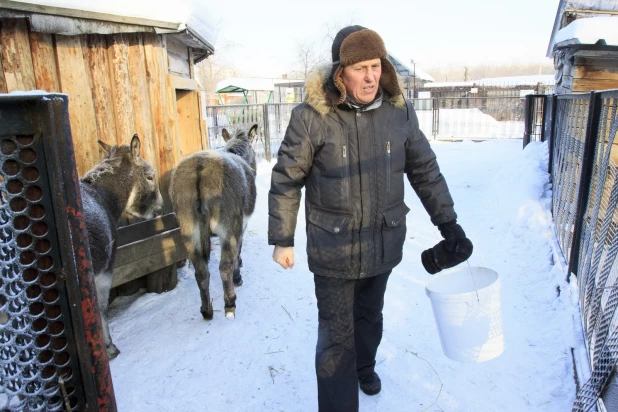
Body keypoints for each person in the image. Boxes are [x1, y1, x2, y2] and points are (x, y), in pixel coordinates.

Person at [268, 25, 473, 412]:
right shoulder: (311, 117)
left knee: (369, 315)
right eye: (359, 67)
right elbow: (286, 179)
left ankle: (365, 367)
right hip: (333, 246)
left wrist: (450, 225)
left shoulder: (399, 113)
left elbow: (425, 171)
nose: (370, 76)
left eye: (375, 65)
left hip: (383, 238)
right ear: (339, 72)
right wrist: (283, 238)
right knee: (335, 336)